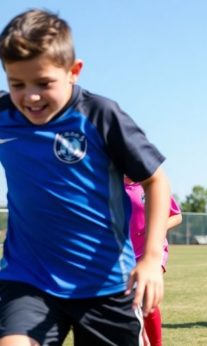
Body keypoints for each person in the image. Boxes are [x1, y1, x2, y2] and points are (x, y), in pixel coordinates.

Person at [0, 9, 172, 345]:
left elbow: (156, 180)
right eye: (16, 84)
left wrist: (151, 259)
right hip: (29, 279)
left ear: (73, 71)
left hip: (106, 285)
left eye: (44, 83)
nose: (30, 96)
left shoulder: (100, 115)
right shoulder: (4, 116)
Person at [124, 177, 183, 346]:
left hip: (152, 251)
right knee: (132, 304)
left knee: (148, 297)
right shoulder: (111, 185)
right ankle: (142, 339)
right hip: (125, 255)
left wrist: (155, 228)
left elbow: (177, 216)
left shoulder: (150, 184)